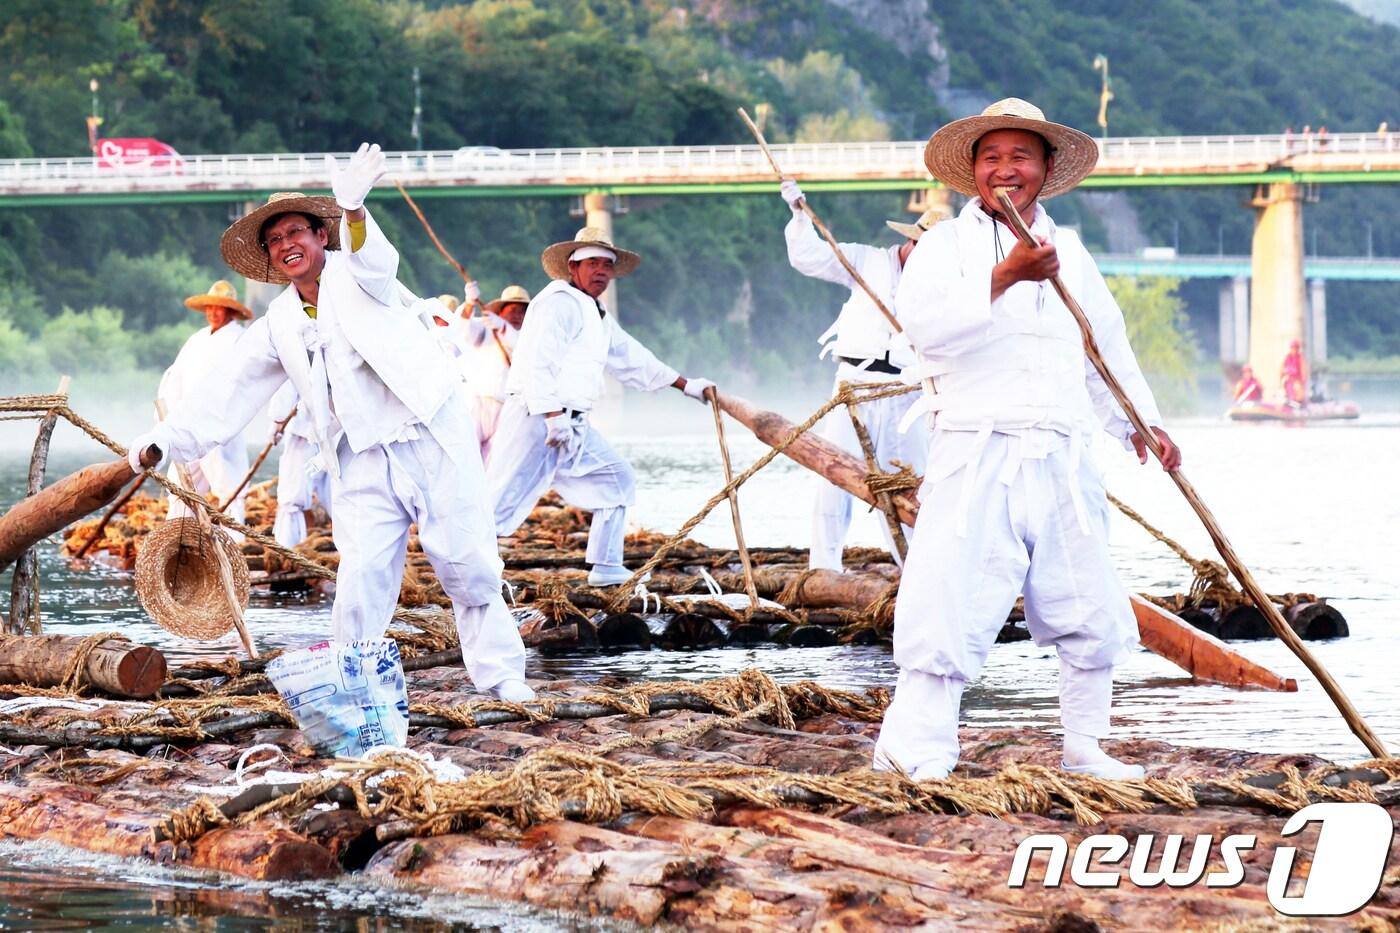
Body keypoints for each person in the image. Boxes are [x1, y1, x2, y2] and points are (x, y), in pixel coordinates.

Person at [128, 143, 532, 702]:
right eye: (275, 241)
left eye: (296, 232)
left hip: (428, 431)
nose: (287, 245)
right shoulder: (279, 322)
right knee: (360, 580)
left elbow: (377, 262)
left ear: (322, 236)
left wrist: (357, 209)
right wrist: (165, 439)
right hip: (357, 455)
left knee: (465, 561)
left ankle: (503, 678)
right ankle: (356, 688)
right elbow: (229, 389)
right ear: (271, 260)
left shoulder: (358, 274)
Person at [874, 98, 1183, 781]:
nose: (1005, 170)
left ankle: (1085, 746)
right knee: (948, 598)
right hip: (975, 448)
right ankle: (916, 749)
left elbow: (1102, 346)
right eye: (991, 158)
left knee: (1088, 600)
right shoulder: (942, 249)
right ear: (973, 173)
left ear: (1046, 168)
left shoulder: (1070, 252)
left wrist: (1140, 420)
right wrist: (1006, 274)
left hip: (1063, 453)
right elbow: (924, 331)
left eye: (1020, 157)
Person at [486, 227, 714, 586]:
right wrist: (550, 414)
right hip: (536, 417)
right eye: (593, 263)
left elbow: (630, 356)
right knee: (500, 497)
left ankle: (607, 567)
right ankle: (470, 571)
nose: (602, 272)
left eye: (607, 266)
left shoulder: (596, 312)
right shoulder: (557, 302)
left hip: (573, 423)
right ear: (573, 267)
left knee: (616, 478)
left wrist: (687, 386)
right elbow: (536, 360)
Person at [781, 182, 940, 571]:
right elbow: (807, 257)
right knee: (835, 474)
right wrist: (799, 215)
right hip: (855, 385)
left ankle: (917, 569)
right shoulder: (864, 260)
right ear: (912, 242)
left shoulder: (939, 284)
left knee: (911, 482)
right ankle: (825, 566)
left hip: (906, 390)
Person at [159, 280, 254, 532]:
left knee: (227, 479)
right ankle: (178, 533)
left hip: (220, 422)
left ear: (230, 311)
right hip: (189, 421)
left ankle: (235, 540)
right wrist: (171, 416)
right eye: (210, 307)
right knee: (183, 480)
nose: (212, 312)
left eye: (219, 308)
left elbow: (242, 382)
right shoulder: (197, 339)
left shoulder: (240, 339)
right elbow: (176, 376)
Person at [268, 381, 332, 548]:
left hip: (313, 426)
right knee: (333, 495)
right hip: (327, 427)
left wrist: (277, 422)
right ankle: (289, 550)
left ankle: (288, 549)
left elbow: (288, 381)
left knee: (292, 495)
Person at [1281, 338, 1307, 406]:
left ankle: (1300, 402)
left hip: (1297, 379)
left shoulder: (1300, 357)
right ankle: (1288, 401)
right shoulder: (1287, 357)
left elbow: (1303, 370)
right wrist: (1282, 377)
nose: (1294, 350)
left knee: (1298, 389)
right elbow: (1282, 370)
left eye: (1296, 348)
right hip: (1289, 379)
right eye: (1292, 348)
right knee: (1285, 386)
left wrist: (1302, 382)